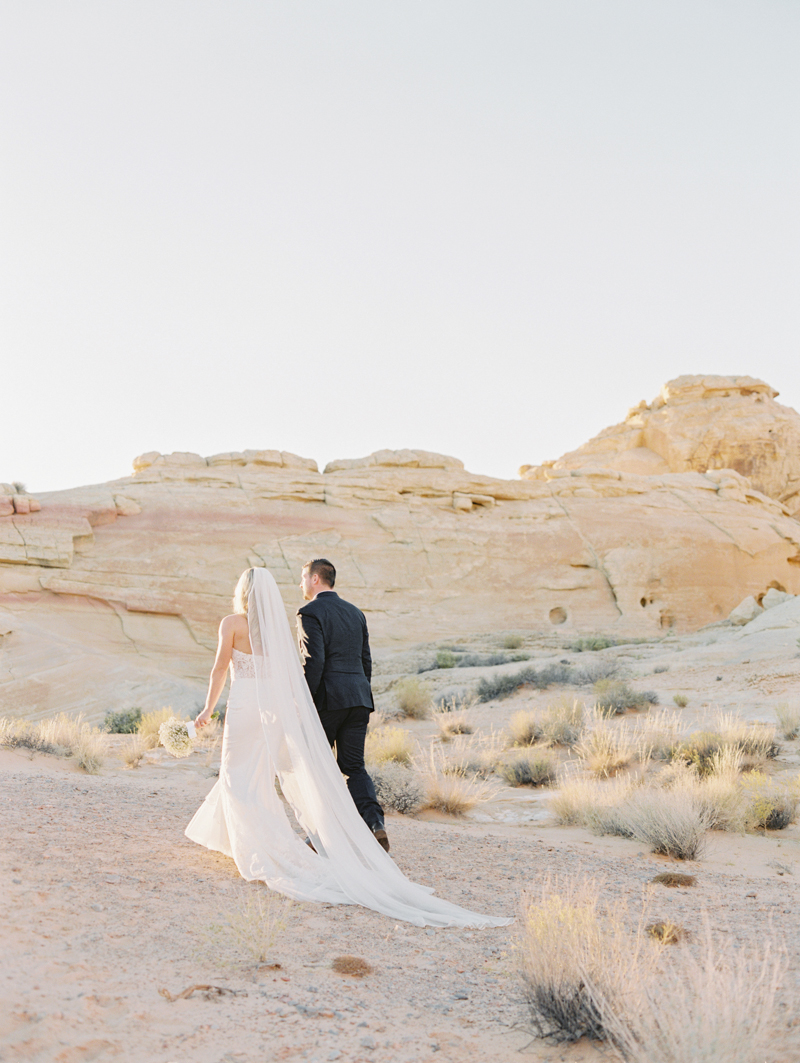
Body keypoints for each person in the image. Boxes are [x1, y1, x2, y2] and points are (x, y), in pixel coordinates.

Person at [185, 566, 510, 928]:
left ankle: (270, 842)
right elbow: (338, 664)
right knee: (336, 768)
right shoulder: (305, 624)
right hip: (324, 704)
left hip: (251, 706)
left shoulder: (244, 621)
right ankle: (367, 823)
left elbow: (224, 670)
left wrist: (208, 709)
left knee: (242, 773)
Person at [296, 558, 387, 851]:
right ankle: (375, 824)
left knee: (319, 767)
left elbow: (314, 660)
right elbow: (365, 661)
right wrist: (362, 693)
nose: (300, 585)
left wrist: (305, 701)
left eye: (302, 578)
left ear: (314, 579)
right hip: (359, 698)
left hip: (328, 700)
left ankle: (320, 836)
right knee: (354, 767)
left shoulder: (309, 612)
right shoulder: (356, 613)